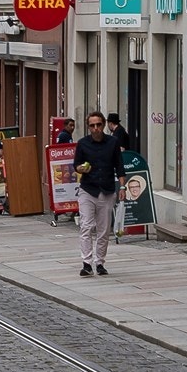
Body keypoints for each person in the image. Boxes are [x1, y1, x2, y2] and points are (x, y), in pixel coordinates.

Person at [73, 111, 126, 276]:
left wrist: (123, 188)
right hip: (88, 189)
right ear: (88, 127)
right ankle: (86, 263)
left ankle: (100, 262)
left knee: (103, 230)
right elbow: (76, 166)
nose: (95, 128)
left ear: (103, 125)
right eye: (92, 125)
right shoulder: (82, 144)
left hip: (107, 190)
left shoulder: (113, 142)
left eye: (98, 125)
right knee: (86, 226)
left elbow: (120, 166)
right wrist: (81, 168)